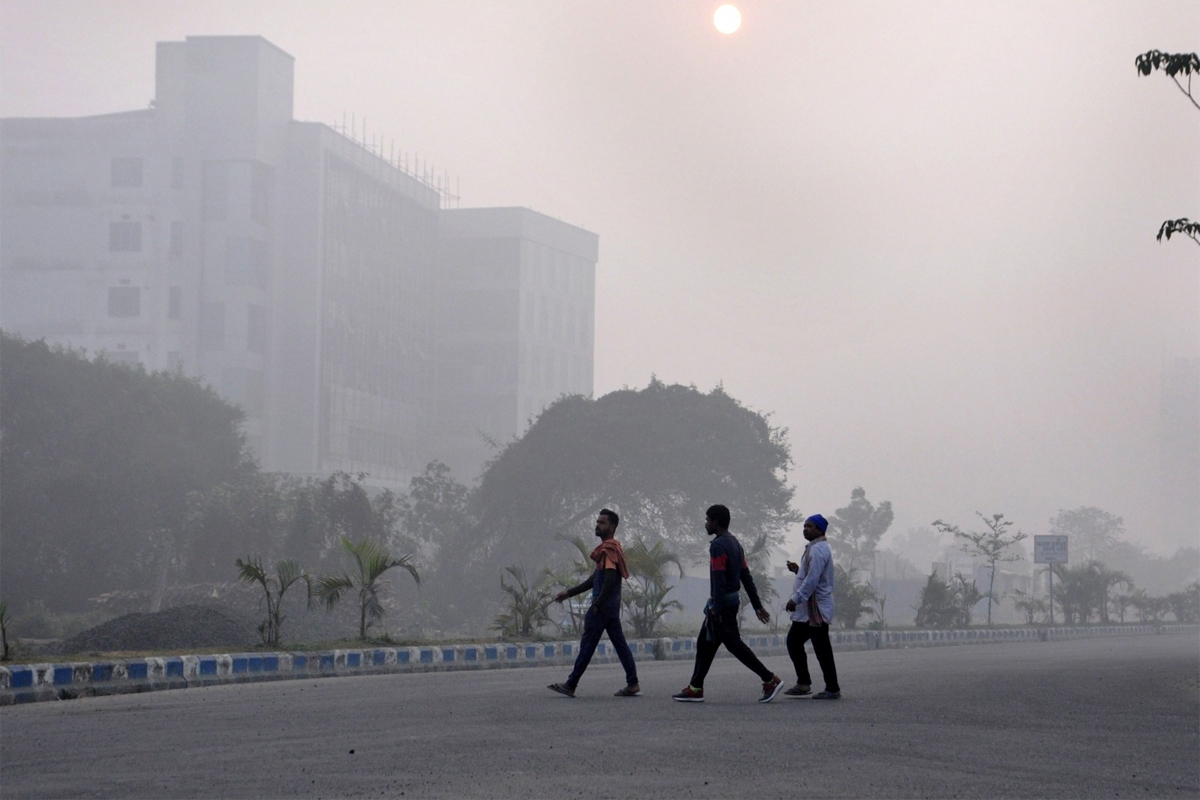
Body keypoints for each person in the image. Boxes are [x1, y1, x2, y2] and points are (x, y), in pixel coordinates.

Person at [672, 504, 784, 703]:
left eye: (707, 520)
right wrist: (757, 605)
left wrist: (716, 610)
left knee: (734, 645)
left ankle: (770, 679)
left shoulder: (718, 545)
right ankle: (695, 687)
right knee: (705, 643)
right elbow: (746, 577)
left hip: (722, 605)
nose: (705, 524)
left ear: (715, 521)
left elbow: (719, 579)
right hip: (730, 603)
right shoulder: (734, 543)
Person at [547, 508, 640, 697]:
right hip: (610, 607)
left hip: (602, 608)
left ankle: (571, 684)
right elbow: (595, 579)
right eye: (597, 522)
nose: (597, 525)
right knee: (620, 645)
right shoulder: (608, 550)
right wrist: (569, 593)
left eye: (602, 522)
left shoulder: (609, 550)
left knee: (587, 645)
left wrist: (597, 604)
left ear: (612, 527)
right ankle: (633, 683)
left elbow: (611, 580)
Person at [783, 514, 841, 699]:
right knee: (794, 642)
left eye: (810, 526)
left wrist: (795, 599)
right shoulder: (814, 548)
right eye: (804, 526)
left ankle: (832, 687)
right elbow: (809, 574)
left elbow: (813, 580)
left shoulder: (818, 550)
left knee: (821, 648)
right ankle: (803, 683)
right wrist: (798, 571)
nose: (805, 529)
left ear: (820, 530)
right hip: (808, 610)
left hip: (815, 609)